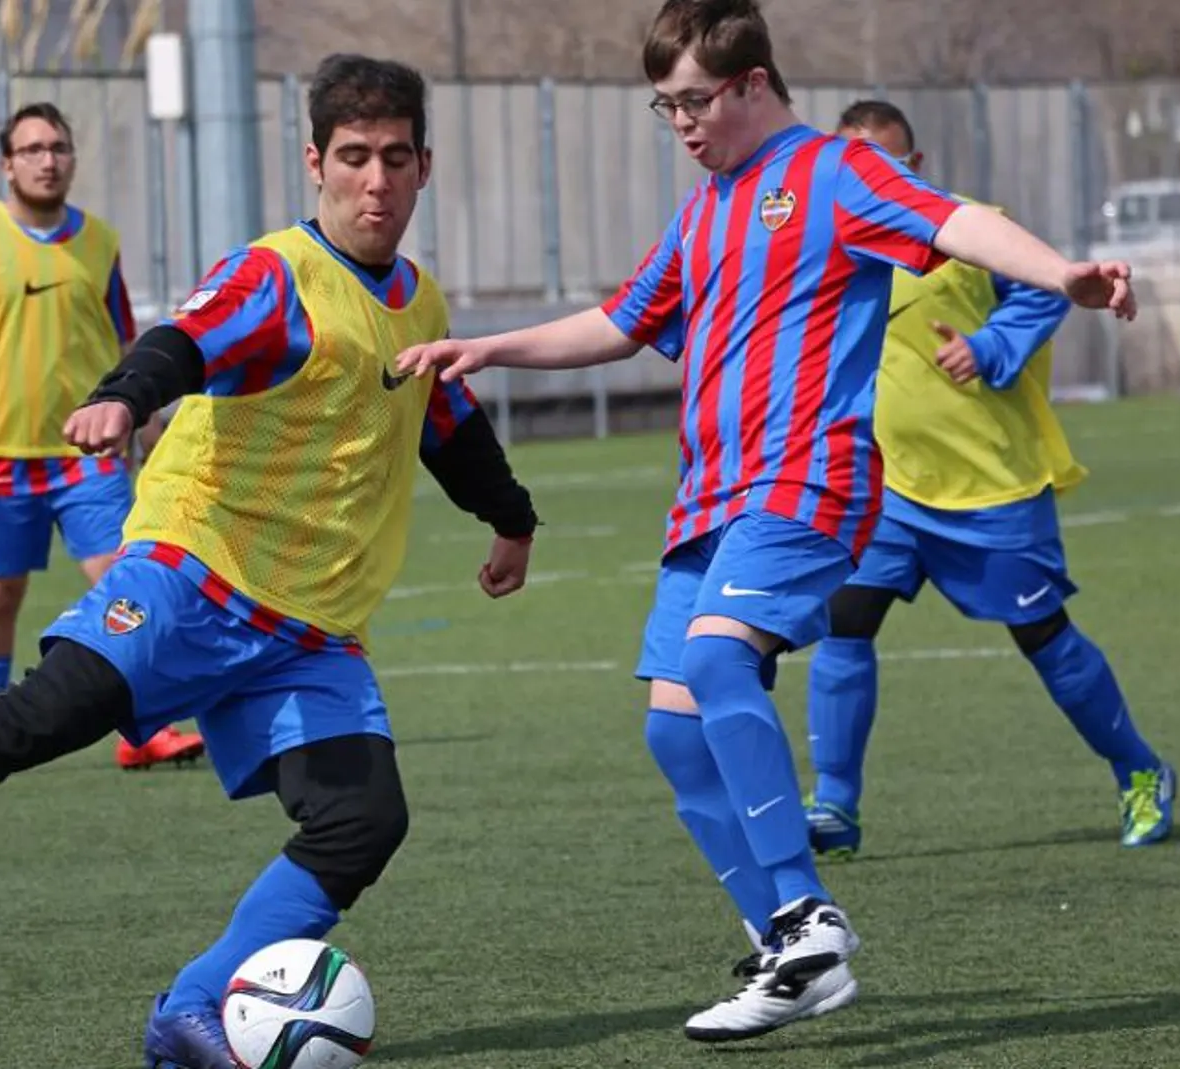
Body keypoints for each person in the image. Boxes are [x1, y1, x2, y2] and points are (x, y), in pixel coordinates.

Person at [0, 54, 540, 1069]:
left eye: (397, 160)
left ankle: (188, 1010)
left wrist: (511, 518)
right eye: (355, 158)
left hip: (309, 633)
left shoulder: (416, 299)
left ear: (424, 168)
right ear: (314, 162)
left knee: (362, 820)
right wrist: (124, 395)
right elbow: (182, 340)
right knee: (39, 717)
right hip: (193, 575)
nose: (376, 182)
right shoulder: (277, 273)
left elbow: (443, 419)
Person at [395, 0, 1137, 1044]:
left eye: (695, 100)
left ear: (751, 83)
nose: (683, 124)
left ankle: (803, 913)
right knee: (671, 729)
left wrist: (1061, 272)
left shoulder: (833, 171)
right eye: (666, 107)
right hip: (708, 501)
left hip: (804, 482)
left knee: (713, 663)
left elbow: (952, 222)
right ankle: (787, 950)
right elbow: (619, 321)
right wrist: (488, 347)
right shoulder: (702, 211)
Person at [801, 100, 1174, 859]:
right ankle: (835, 803)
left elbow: (1045, 289)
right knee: (845, 621)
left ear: (918, 166)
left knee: (1044, 636)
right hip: (883, 483)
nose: (873, 176)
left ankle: (1139, 768)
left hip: (987, 483)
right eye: (856, 164)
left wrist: (985, 346)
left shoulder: (969, 226)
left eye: (889, 163)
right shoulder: (831, 236)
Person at [0, 101, 203, 772]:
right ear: (7, 164)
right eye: (32, 149)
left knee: (125, 579)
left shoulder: (100, 242)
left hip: (89, 450)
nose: (47, 160)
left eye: (58, 147)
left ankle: (145, 728)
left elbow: (123, 338)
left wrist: (146, 411)